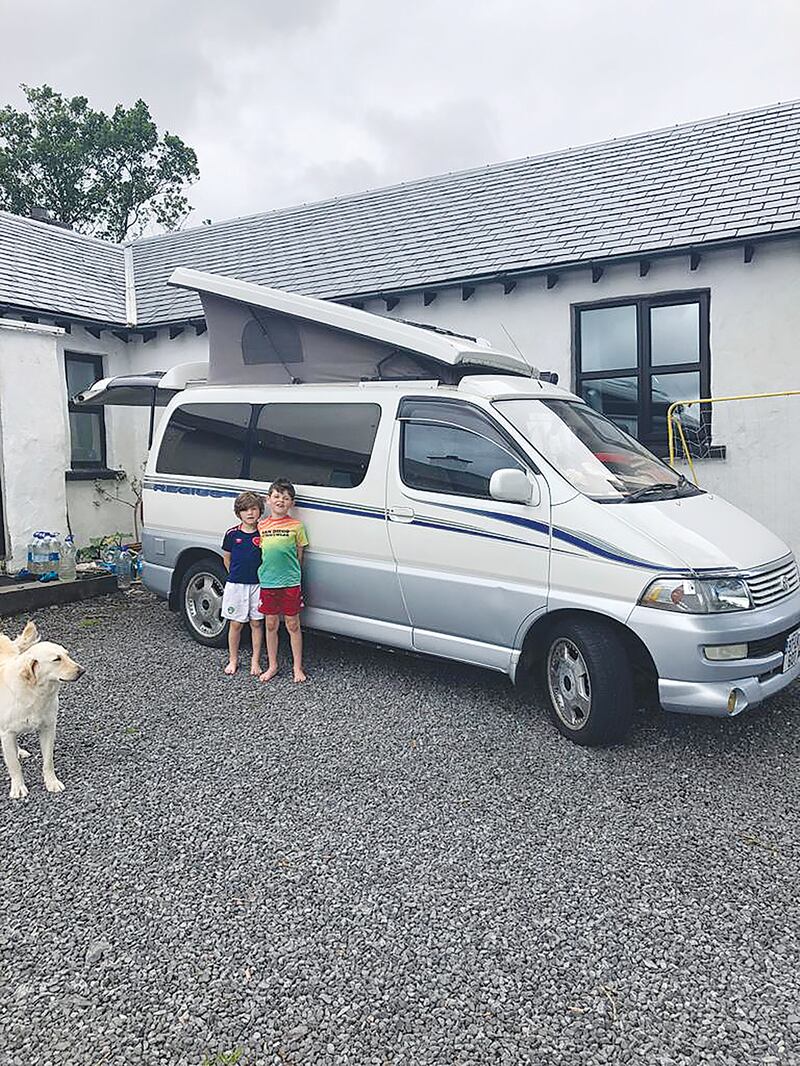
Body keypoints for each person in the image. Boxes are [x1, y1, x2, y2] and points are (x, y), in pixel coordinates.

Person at [257, 479, 309, 683]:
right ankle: (272, 665)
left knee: (293, 624)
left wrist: (294, 576)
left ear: (291, 503)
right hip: (268, 582)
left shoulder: (297, 526)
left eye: (286, 498)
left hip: (290, 582)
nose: (281, 501)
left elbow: (300, 555)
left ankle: (297, 667)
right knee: (270, 624)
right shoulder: (261, 526)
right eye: (277, 496)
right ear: (268, 500)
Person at [221, 491, 265, 676]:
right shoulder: (232, 534)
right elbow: (227, 558)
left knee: (256, 623)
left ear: (260, 511)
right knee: (236, 624)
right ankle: (233, 659)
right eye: (245, 510)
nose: (250, 513)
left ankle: (255, 660)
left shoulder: (264, 533)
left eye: (254, 509)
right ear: (239, 513)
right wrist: (234, 575)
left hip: (257, 585)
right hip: (236, 585)